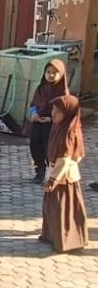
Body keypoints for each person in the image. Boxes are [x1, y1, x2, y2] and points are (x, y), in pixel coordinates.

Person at [40, 94, 89, 253]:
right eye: (53, 109)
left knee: (63, 210)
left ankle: (66, 240)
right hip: (55, 172)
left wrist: (53, 179)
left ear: (68, 113)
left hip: (63, 178)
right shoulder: (59, 127)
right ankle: (51, 236)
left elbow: (66, 159)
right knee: (52, 208)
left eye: (58, 110)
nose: (54, 113)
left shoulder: (69, 132)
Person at [28, 59, 70, 184]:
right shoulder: (41, 88)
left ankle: (53, 175)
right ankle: (39, 171)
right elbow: (34, 103)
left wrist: (51, 119)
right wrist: (34, 113)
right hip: (38, 121)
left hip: (52, 125)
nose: (51, 75)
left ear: (61, 74)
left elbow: (65, 111)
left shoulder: (62, 92)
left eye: (54, 72)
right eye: (48, 72)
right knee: (35, 145)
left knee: (50, 149)